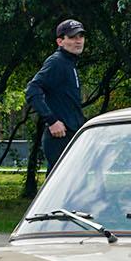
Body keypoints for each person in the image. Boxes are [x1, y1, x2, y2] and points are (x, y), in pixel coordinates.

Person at [25, 19, 86, 172]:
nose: (78, 41)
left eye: (81, 36)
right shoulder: (57, 62)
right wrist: (52, 121)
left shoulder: (69, 62)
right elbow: (32, 90)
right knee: (62, 189)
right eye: (72, 37)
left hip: (71, 135)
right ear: (60, 41)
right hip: (59, 138)